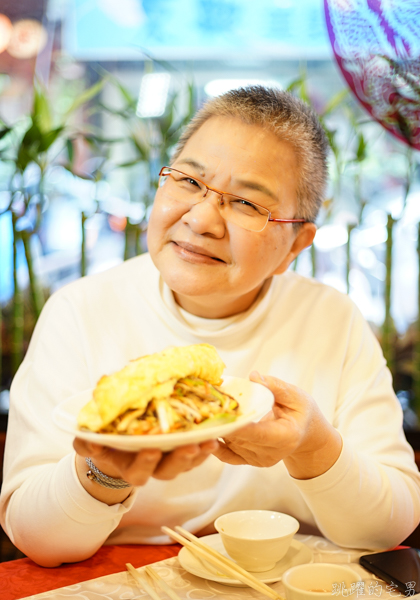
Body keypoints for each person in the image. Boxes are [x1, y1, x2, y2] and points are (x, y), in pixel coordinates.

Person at [1, 86, 419, 567]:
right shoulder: (80, 309)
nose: (201, 219)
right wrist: (105, 470)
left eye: (246, 204)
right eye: (189, 181)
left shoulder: (332, 320)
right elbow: (35, 537)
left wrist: (312, 446)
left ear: (296, 246)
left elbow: (391, 525)